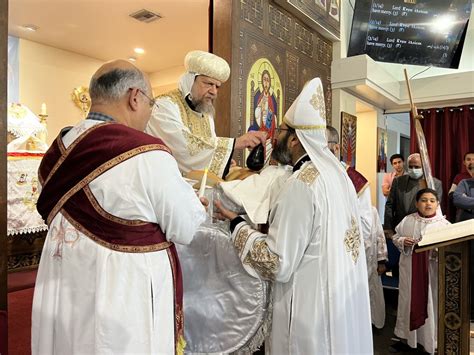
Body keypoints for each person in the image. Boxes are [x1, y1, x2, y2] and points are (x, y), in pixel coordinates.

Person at [32, 60, 207, 355]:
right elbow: (185, 227)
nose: (150, 112)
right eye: (150, 103)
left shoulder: (57, 152)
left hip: (63, 279)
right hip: (120, 289)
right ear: (134, 97)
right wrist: (195, 204)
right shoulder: (146, 152)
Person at [215, 78, 373, 354]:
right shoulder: (339, 175)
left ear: (295, 139)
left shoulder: (303, 183)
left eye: (281, 132)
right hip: (339, 303)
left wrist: (236, 225)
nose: (274, 137)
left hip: (310, 310)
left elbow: (277, 262)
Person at [146, 50, 266, 178]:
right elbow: (183, 147)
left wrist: (223, 162)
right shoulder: (164, 105)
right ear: (190, 80)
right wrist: (236, 143)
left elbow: (208, 146)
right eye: (209, 84)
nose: (214, 92)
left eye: (217, 86)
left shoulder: (205, 113)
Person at [391, 188, 450, 354]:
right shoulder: (408, 220)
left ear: (437, 204)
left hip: (431, 273)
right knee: (407, 302)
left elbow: (451, 249)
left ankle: (430, 341)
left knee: (430, 303)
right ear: (417, 203)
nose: (428, 203)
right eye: (423, 200)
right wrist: (403, 240)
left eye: (432, 200)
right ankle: (407, 339)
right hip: (409, 271)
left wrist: (438, 251)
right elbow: (395, 237)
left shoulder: (444, 225)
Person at [384, 153, 443, 235]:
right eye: (410, 167)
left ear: (423, 166)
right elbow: (389, 205)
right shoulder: (398, 181)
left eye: (416, 167)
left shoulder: (434, 183)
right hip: (399, 227)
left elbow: (434, 207)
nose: (413, 169)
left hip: (422, 228)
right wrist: (388, 227)